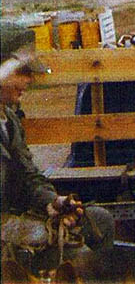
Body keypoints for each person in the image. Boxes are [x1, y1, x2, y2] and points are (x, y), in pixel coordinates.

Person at [1, 22, 115, 271]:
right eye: (22, 71)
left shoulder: (9, 120)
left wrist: (52, 202)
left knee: (100, 221)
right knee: (65, 248)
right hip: (7, 231)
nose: (31, 78)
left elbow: (28, 176)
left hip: (16, 220)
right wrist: (22, 228)